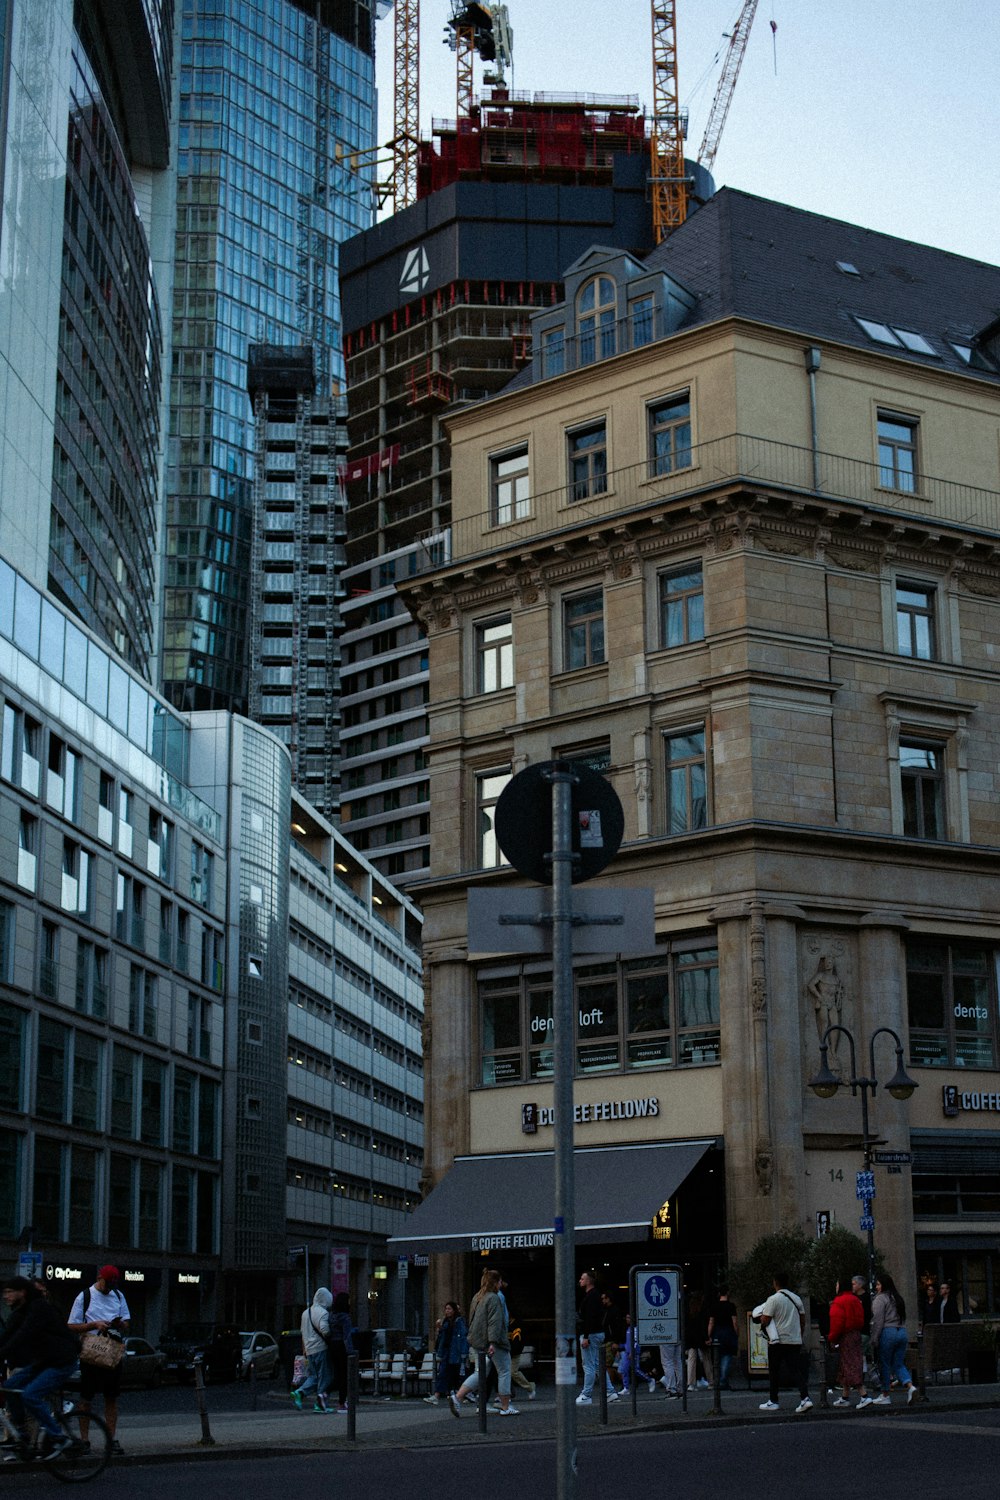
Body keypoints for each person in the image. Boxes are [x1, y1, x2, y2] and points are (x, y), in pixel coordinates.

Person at [0, 1277, 80, 1460]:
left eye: (10, 1291)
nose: (6, 1296)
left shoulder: (39, 1308)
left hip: (61, 1361)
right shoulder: (21, 1311)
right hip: (43, 1361)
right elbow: (7, 1335)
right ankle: (21, 1432)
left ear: (22, 1292)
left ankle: (58, 1436)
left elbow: (22, 1335)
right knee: (10, 1386)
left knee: (30, 1395)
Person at [67, 1264, 131, 1454]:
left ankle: (110, 1439)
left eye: (112, 1285)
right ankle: (84, 1440)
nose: (109, 1288)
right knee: (86, 1397)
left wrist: (119, 1324)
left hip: (112, 1350)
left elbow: (127, 1324)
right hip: (92, 1350)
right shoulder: (84, 1296)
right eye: (106, 1284)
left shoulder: (118, 1296)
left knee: (111, 1397)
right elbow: (71, 1325)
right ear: (99, 1278)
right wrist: (93, 1325)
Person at [449, 1268, 516, 1417]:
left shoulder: (477, 1297)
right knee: (504, 1370)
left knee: (480, 1373)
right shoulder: (494, 1298)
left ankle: (458, 1397)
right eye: (499, 1281)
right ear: (496, 1282)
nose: (501, 1284)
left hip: (478, 1341)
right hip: (494, 1342)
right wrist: (493, 1342)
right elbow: (495, 1322)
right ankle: (505, 1406)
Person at [756, 1272, 812, 1414]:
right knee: (795, 1370)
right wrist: (799, 1334)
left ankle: (773, 1400)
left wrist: (762, 1317)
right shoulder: (797, 1298)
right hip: (794, 1340)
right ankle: (805, 1398)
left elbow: (765, 1320)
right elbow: (803, 1320)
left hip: (778, 1341)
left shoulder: (773, 1299)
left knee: (774, 1371)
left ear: (775, 1282)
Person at [870, 1272, 916, 1405]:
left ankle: (885, 1394)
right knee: (899, 1363)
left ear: (883, 1285)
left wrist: (874, 1338)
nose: (877, 1287)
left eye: (878, 1284)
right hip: (901, 1331)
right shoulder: (898, 1298)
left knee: (884, 1364)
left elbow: (878, 1320)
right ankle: (910, 1386)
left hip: (887, 1332)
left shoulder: (880, 1299)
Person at [828, 1277, 872, 1409]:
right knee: (848, 1364)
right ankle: (845, 1396)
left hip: (845, 1336)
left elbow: (837, 1322)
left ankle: (864, 1395)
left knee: (849, 1364)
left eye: (837, 1284)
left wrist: (832, 1338)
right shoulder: (855, 1299)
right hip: (856, 1333)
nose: (835, 1287)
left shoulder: (839, 1301)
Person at [576, 1270, 618, 1406]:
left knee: (588, 1365)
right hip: (596, 1333)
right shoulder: (595, 1295)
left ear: (589, 1281)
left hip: (591, 1334)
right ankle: (610, 1391)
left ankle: (586, 1394)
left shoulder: (591, 1296)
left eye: (582, 1278)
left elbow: (590, 1317)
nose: (580, 1281)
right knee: (597, 1364)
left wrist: (586, 1336)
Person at [291, 1287, 333, 1412]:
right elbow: (325, 1331)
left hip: (309, 1350)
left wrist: (304, 1348)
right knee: (325, 1377)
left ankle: (300, 1392)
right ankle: (320, 1404)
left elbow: (303, 1332)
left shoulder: (306, 1312)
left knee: (314, 1376)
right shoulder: (323, 1313)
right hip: (321, 1349)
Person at [424, 1300, 467, 1405]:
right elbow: (443, 1336)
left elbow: (462, 1337)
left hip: (455, 1351)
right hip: (448, 1351)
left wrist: (463, 1352)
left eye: (449, 1309)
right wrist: (439, 1328)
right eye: (446, 1309)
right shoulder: (446, 1321)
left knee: (455, 1374)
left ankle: (459, 1395)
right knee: (444, 1372)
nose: (447, 1311)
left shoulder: (458, 1321)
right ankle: (439, 1395)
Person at [324, 1292, 353, 1413]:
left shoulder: (331, 1316)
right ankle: (341, 1403)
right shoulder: (345, 1318)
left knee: (336, 1374)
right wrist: (350, 1351)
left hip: (332, 1346)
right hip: (341, 1346)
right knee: (344, 1376)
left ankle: (324, 1393)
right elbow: (347, 1336)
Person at [706, 1286, 739, 1389]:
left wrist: (709, 1335)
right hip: (728, 1332)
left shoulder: (714, 1306)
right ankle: (723, 1380)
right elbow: (734, 1321)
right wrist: (737, 1332)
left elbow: (711, 1322)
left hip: (717, 1332)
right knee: (727, 1356)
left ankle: (718, 1379)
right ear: (728, 1293)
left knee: (717, 1357)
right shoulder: (731, 1306)